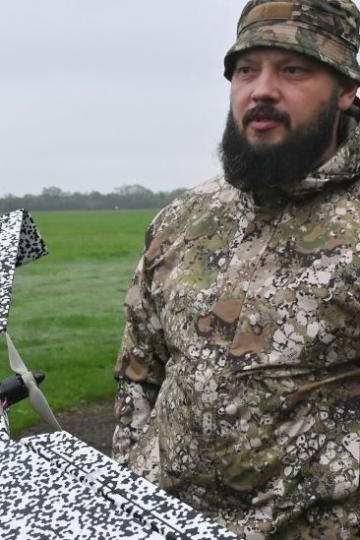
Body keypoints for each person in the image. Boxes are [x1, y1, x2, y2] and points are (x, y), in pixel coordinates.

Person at [112, 1, 360, 538]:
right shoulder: (185, 219)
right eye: (247, 70)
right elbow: (140, 370)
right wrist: (131, 484)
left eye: (293, 69)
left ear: (346, 89)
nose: (262, 90)